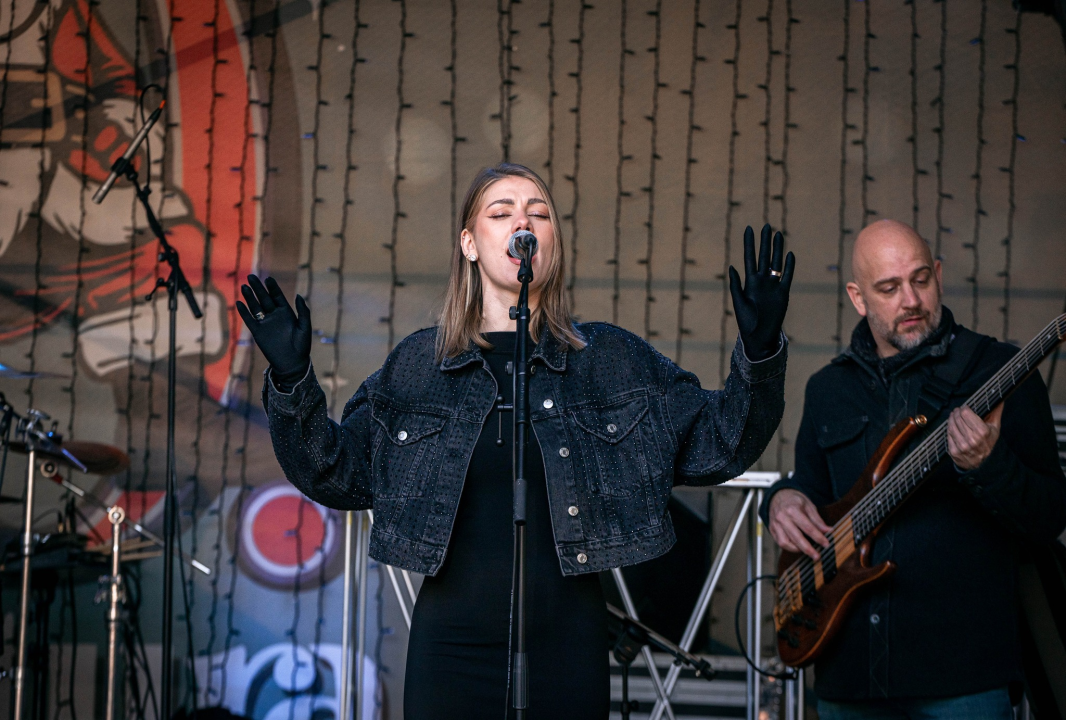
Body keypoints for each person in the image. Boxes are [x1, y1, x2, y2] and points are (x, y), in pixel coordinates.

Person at [238, 163, 795, 720]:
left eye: (539, 214)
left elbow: (718, 443)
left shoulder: (607, 360)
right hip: (451, 650)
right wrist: (291, 380)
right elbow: (335, 472)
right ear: (470, 243)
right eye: (501, 213)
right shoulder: (419, 366)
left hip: (567, 646)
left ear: (551, 243)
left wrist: (760, 352)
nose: (522, 223)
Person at [762, 219, 1066, 720]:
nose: (911, 300)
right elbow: (812, 490)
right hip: (849, 680)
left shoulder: (1000, 371)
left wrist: (989, 466)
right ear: (858, 298)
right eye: (889, 288)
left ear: (938, 275)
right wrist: (781, 499)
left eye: (921, 279)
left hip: (963, 681)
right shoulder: (828, 389)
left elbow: (1050, 516)